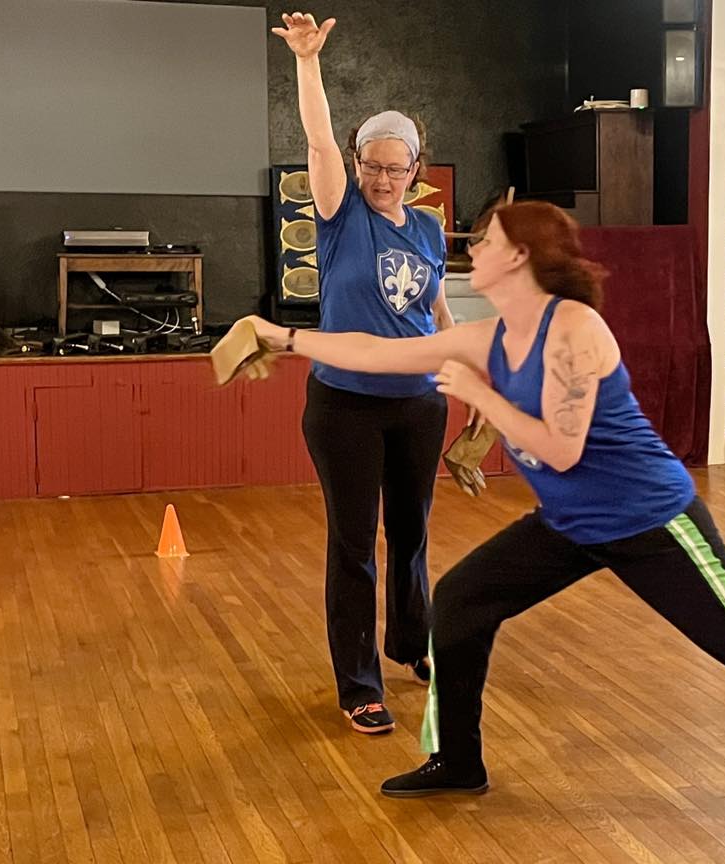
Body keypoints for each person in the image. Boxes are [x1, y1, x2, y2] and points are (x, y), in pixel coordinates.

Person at [245, 201, 725, 845]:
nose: (473, 250)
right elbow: (375, 352)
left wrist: (480, 395)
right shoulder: (489, 336)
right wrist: (283, 336)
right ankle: (457, 760)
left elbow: (561, 448)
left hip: (652, 521)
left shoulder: (574, 328)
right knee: (457, 603)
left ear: (520, 258)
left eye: (487, 242)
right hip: (571, 523)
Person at [271, 12, 458, 734]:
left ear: (417, 168)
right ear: (356, 166)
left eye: (395, 166)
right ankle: (358, 684)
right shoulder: (339, 213)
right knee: (354, 544)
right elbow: (318, 135)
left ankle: (413, 643)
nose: (382, 177)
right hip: (345, 406)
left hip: (417, 405)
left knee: (411, 537)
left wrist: (459, 365)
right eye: (370, 165)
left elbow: (435, 309)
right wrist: (308, 62)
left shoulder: (431, 229)